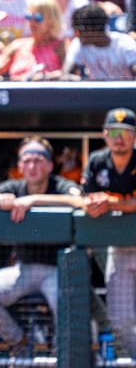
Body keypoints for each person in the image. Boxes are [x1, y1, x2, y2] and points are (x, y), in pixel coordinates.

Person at [0, 136, 84, 358]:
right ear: (20, 165)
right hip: (24, 268)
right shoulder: (14, 186)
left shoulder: (59, 185)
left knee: (64, 306)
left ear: (50, 165)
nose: (32, 166)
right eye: (27, 160)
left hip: (57, 269)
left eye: (38, 160)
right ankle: (18, 340)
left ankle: (62, 356)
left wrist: (34, 200)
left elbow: (79, 200)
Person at [82, 107, 136, 359]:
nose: (119, 137)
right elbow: (89, 198)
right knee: (120, 320)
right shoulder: (97, 162)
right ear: (104, 135)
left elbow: (108, 201)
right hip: (119, 247)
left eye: (125, 132)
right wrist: (96, 203)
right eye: (114, 131)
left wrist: (112, 203)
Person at [0, 0, 67, 81]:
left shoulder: (60, 46)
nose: (32, 22)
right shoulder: (18, 45)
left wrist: (45, 77)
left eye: (38, 18)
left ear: (52, 20)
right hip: (19, 93)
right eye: (29, 17)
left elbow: (68, 74)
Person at [62, 3, 136, 80]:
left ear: (91, 30)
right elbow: (66, 74)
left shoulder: (125, 42)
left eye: (77, 31)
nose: (76, 35)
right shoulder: (78, 44)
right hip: (95, 92)